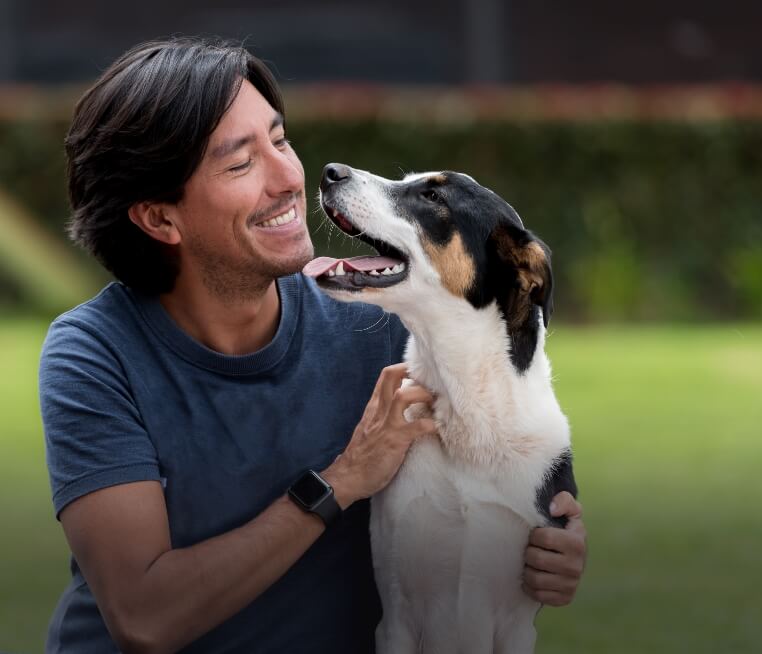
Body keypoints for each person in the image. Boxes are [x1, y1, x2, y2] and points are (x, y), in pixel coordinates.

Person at [39, 36, 587, 653]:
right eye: (241, 163)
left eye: (279, 139)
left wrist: (544, 546)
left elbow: (488, 495)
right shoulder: (93, 355)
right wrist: (340, 481)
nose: (289, 179)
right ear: (161, 219)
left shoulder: (384, 320)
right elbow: (144, 618)